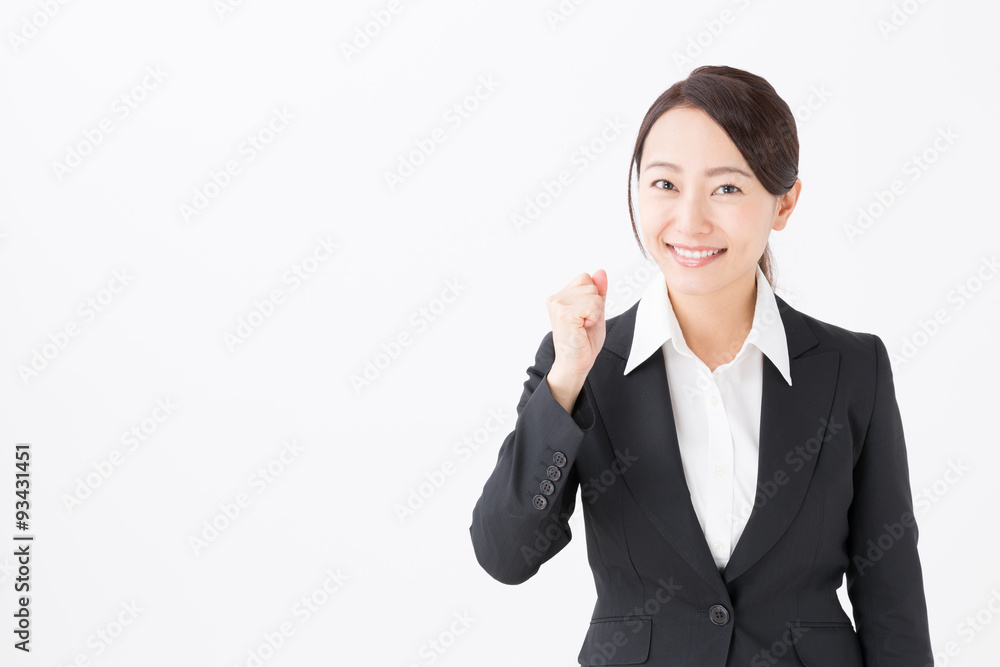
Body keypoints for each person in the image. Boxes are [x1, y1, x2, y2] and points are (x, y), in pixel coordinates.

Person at [468, 65, 932, 666]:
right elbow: (505, 555)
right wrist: (564, 385)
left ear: (784, 201)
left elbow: (891, 599)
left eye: (727, 188)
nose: (690, 220)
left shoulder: (852, 367)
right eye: (664, 184)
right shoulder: (585, 364)